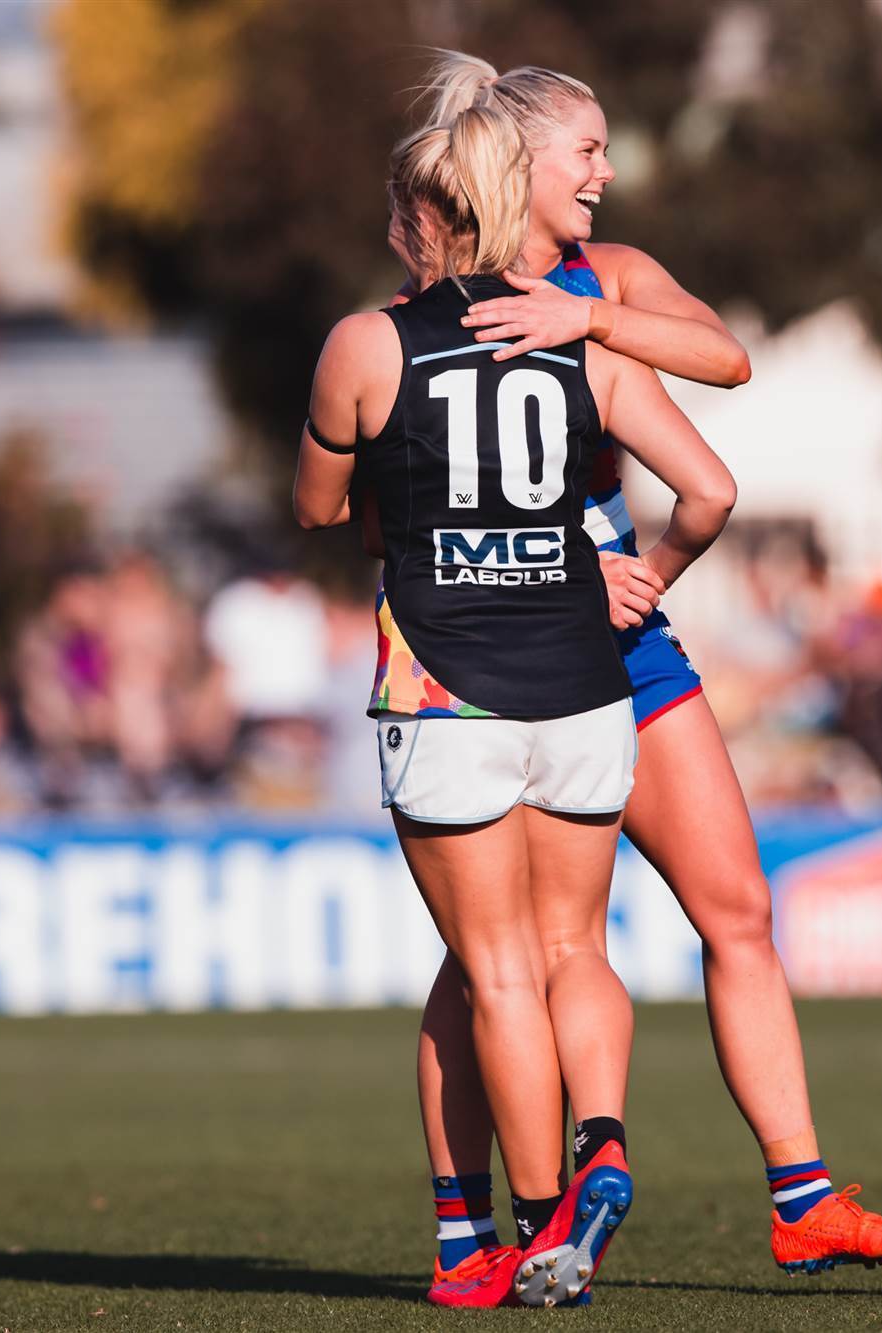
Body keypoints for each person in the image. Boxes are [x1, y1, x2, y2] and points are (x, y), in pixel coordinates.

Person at [391, 51, 882, 1287]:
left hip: (624, 652)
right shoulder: (442, 295)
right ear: (517, 161)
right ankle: (468, 1226)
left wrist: (587, 319)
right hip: (489, 659)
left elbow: (724, 357)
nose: (606, 171)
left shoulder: (611, 280)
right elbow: (401, 503)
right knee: (490, 965)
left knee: (736, 909)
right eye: (585, 151)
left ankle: (801, 1196)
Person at [295, 96, 736, 1307]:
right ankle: (602, 1133)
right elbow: (707, 486)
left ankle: (537, 1224)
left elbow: (321, 510)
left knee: (492, 969)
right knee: (573, 948)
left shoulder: (365, 344)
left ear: (420, 217)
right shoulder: (583, 340)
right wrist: (631, 578)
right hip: (585, 687)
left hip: (446, 685)